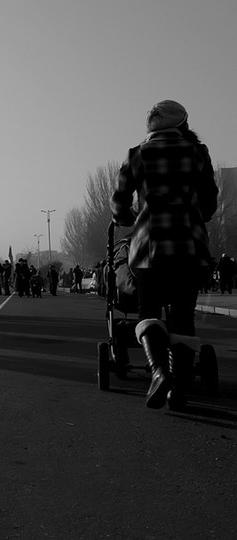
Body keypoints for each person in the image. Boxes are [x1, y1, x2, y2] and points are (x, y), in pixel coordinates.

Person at [111, 99, 218, 410]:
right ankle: (180, 388)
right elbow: (209, 199)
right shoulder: (197, 152)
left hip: (150, 249)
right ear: (183, 123)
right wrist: (200, 214)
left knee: (149, 311)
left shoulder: (138, 154)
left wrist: (127, 217)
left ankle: (159, 372)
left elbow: (119, 199)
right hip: (190, 249)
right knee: (184, 318)